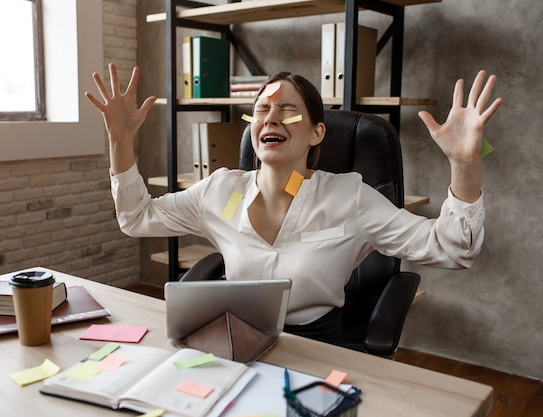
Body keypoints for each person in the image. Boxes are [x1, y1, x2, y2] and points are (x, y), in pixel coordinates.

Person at [86, 63, 502, 345]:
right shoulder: (219, 191)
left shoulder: (349, 196)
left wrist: (465, 166)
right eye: (261, 110)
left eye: (287, 111)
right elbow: (136, 218)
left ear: (317, 133)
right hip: (236, 336)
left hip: (319, 342)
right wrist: (120, 141)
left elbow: (453, 247)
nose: (270, 118)